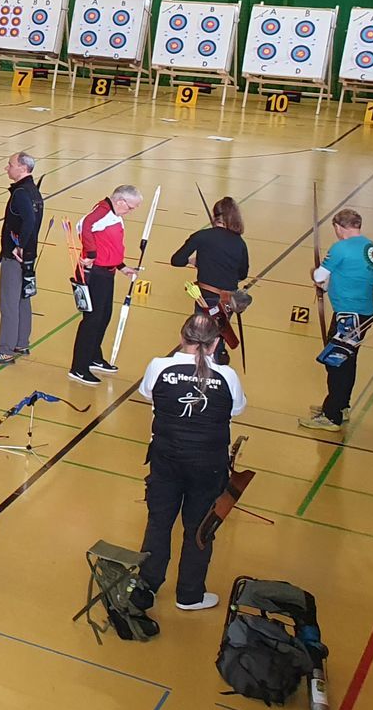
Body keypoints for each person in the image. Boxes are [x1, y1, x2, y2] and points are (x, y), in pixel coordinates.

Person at [130, 311, 246, 614]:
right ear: (215, 343)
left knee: (159, 522)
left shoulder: (159, 366)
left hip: (166, 459)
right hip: (208, 466)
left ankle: (145, 588)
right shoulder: (228, 376)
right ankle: (190, 595)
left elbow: (148, 394)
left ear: (182, 338)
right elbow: (236, 409)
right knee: (200, 528)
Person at [302, 207, 373, 432]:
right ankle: (341, 405)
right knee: (348, 361)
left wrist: (316, 275)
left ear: (339, 227)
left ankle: (332, 416)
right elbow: (351, 277)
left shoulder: (341, 248)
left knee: (336, 363)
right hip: (363, 312)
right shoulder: (371, 248)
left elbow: (320, 275)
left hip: (349, 316)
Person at [68, 185, 144, 385]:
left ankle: (93, 356)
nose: (131, 211)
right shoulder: (102, 211)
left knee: (104, 316)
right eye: (131, 207)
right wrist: (91, 254)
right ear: (120, 201)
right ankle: (79, 368)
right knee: (92, 320)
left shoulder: (114, 214)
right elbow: (83, 225)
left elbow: (109, 245)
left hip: (107, 273)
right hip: (95, 274)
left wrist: (122, 266)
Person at [170, 195, 250, 368]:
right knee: (217, 334)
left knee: (201, 336)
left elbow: (177, 260)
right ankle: (215, 365)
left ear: (215, 216)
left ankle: (202, 370)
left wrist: (195, 261)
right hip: (227, 300)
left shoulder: (202, 236)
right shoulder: (239, 242)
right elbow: (242, 274)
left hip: (206, 297)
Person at [0, 152, 44, 364]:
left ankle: (6, 350)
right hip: (29, 255)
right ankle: (21, 342)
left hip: (16, 256)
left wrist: (19, 246)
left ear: (23, 168)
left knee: (9, 303)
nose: (6, 168)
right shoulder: (32, 190)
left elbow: (29, 220)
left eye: (10, 165)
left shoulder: (21, 193)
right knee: (23, 298)